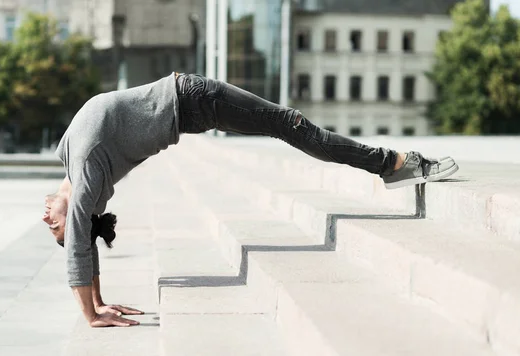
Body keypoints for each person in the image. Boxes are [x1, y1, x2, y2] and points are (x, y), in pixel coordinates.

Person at [42, 72, 458, 328]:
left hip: (190, 97)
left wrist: (97, 300)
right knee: (290, 123)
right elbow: (82, 240)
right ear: (81, 215)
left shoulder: (69, 155)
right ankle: (393, 164)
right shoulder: (88, 176)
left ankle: (389, 164)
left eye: (53, 224)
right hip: (194, 100)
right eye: (56, 228)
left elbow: (85, 235)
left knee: (288, 124)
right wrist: (91, 313)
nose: (48, 220)